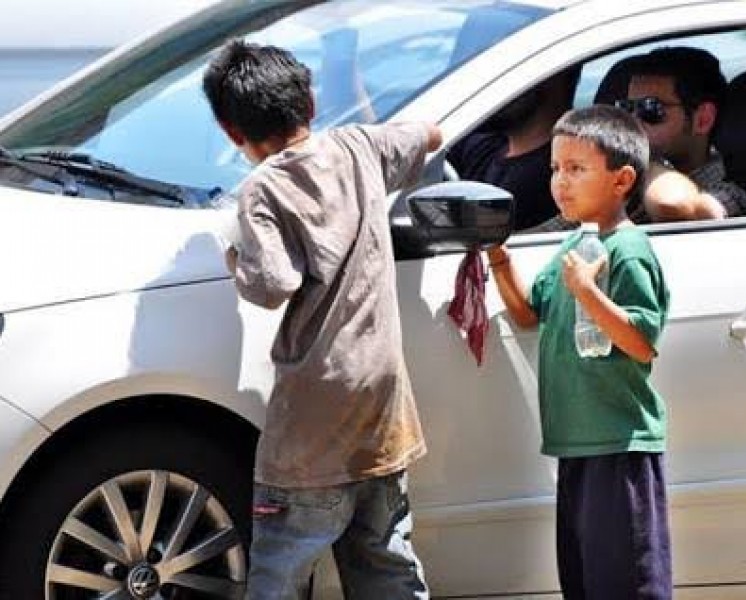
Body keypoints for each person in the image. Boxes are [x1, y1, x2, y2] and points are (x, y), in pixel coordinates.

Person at [202, 40, 442, 599]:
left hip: (311, 428)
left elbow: (272, 285)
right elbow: (429, 134)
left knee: (282, 570)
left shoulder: (261, 189)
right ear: (310, 105)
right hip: (382, 413)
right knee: (386, 560)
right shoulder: (360, 147)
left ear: (231, 132)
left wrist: (233, 256)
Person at [487, 105, 672, 598]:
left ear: (622, 179)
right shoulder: (576, 244)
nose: (559, 183)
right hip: (577, 444)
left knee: (627, 582)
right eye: (555, 169)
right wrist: (497, 258)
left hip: (619, 443)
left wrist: (591, 293)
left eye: (576, 169)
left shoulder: (628, 250)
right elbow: (531, 313)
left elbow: (640, 342)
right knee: (585, 581)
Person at [618, 46, 746, 222]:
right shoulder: (627, 180)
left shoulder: (728, 195)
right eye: (626, 108)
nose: (633, 121)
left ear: (703, 119)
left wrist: (637, 159)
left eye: (650, 108)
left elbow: (672, 204)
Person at [447, 68, 580, 230]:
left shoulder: (554, 178)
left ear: (552, 78)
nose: (491, 87)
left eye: (505, 76)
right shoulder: (484, 145)